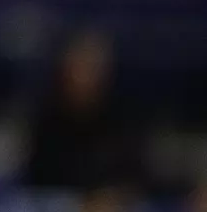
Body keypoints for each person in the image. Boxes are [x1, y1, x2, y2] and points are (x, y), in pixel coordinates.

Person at [23, 30, 141, 194]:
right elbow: (38, 179)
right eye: (79, 66)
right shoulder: (46, 118)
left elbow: (134, 176)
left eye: (93, 67)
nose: (84, 76)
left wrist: (113, 194)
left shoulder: (123, 120)